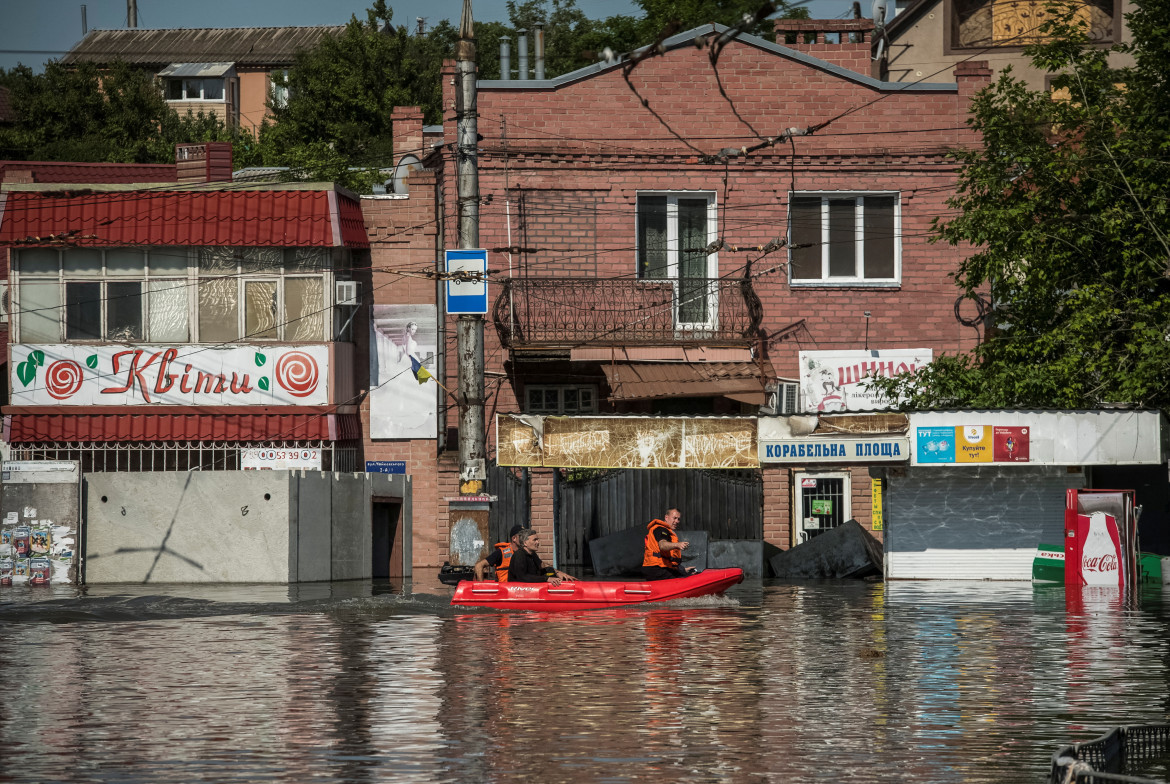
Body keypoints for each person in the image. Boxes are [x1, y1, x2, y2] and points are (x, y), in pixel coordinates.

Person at [508, 528, 575, 586]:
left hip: (531, 587)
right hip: (517, 590)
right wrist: (547, 579)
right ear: (525, 543)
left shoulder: (532, 554)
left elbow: (543, 566)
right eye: (535, 540)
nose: (538, 542)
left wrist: (557, 573)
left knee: (550, 570)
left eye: (538, 540)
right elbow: (522, 577)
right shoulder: (519, 555)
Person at [641, 507, 693, 580]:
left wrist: (683, 570)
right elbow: (662, 545)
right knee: (682, 580)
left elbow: (668, 559)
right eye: (674, 518)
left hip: (661, 567)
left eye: (678, 519)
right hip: (656, 568)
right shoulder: (661, 529)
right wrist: (677, 544)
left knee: (686, 574)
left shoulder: (667, 531)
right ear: (666, 517)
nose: (677, 521)